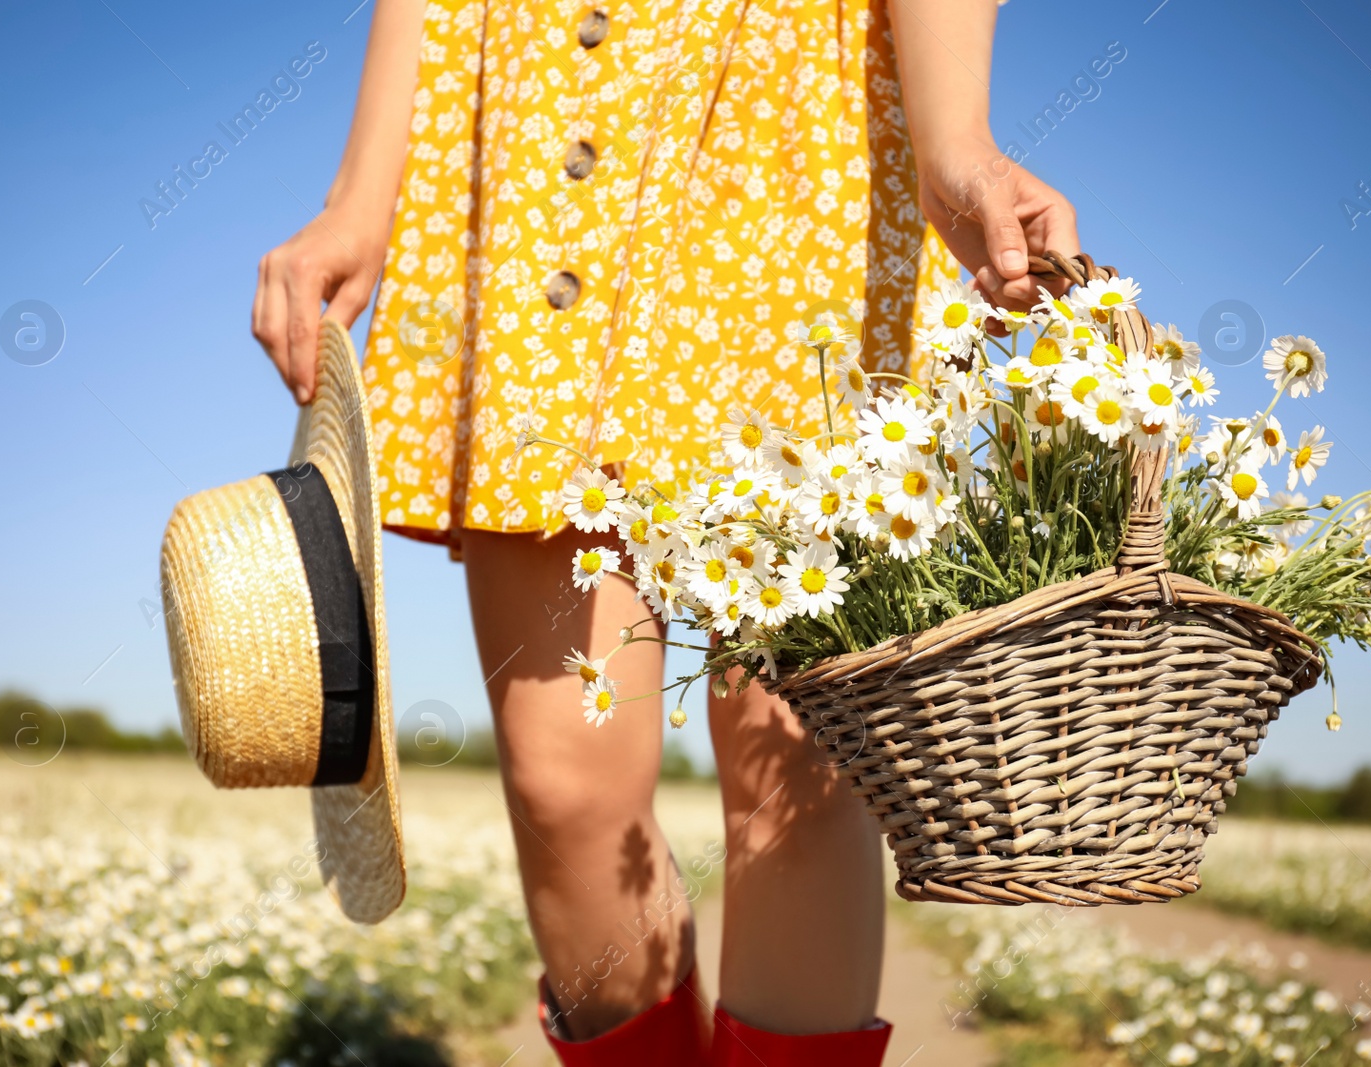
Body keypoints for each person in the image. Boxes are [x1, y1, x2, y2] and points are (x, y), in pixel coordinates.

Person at [252, 0, 1079, 1060]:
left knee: (797, 775)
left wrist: (957, 142)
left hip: (795, 134)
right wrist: (357, 198)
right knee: (560, 787)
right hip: (547, 112)